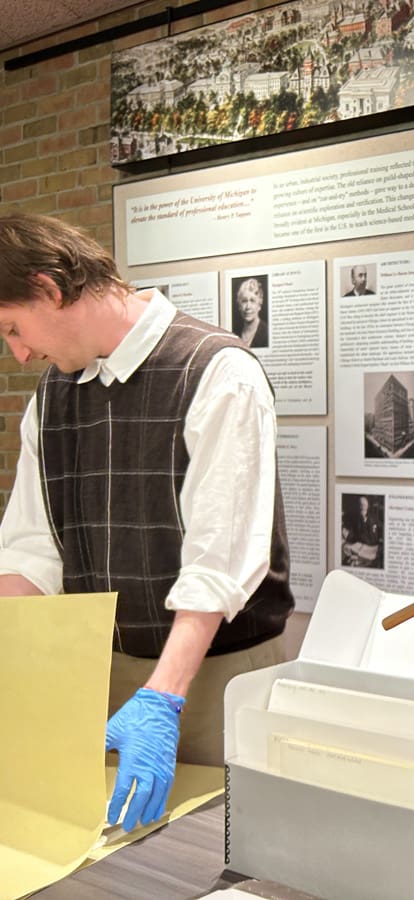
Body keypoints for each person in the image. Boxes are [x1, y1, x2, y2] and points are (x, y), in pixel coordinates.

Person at [0, 213, 293, 833]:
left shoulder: (217, 372)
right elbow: (31, 552)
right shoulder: (51, 399)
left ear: (51, 288)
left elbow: (219, 563)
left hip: (213, 680)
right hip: (105, 677)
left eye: (13, 328)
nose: (19, 353)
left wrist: (163, 697)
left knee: (217, 858)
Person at [341, 495, 383, 568]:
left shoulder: (374, 518)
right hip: (360, 546)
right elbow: (352, 536)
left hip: (372, 546)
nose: (362, 506)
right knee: (347, 547)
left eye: (364, 504)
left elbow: (381, 530)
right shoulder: (355, 519)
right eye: (360, 504)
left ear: (368, 505)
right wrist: (347, 534)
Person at [233, 275, 269, 347]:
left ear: (259, 304)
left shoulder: (267, 332)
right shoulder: (235, 333)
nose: (248, 307)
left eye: (252, 301)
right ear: (239, 305)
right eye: (244, 301)